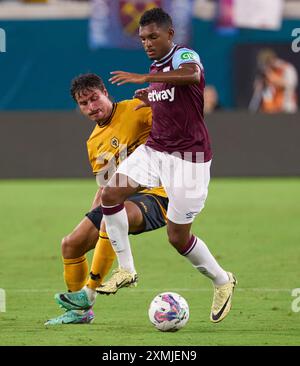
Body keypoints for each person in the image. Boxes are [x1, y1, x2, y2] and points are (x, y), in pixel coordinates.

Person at [97, 8, 237, 323]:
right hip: (156, 149)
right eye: (143, 38)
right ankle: (126, 269)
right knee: (110, 194)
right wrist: (152, 96)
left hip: (189, 160)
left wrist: (149, 79)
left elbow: (192, 76)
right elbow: (175, 94)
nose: (147, 43)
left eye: (153, 37)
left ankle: (221, 280)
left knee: (177, 238)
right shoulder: (158, 65)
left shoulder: (183, 55)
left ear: (170, 34)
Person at [45, 73, 168, 325]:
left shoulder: (135, 108)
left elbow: (173, 124)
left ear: (105, 92)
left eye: (94, 98)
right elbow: (105, 186)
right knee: (71, 244)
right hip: (119, 197)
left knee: (111, 219)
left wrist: (157, 104)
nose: (91, 107)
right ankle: (80, 313)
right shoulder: (94, 142)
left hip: (158, 195)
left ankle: (88, 292)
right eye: (84, 104)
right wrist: (91, 216)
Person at [249, 49, 298, 113]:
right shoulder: (264, 72)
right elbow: (259, 92)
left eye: (267, 62)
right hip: (270, 110)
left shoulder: (287, 68)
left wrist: (270, 75)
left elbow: (290, 84)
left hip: (286, 108)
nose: (265, 65)